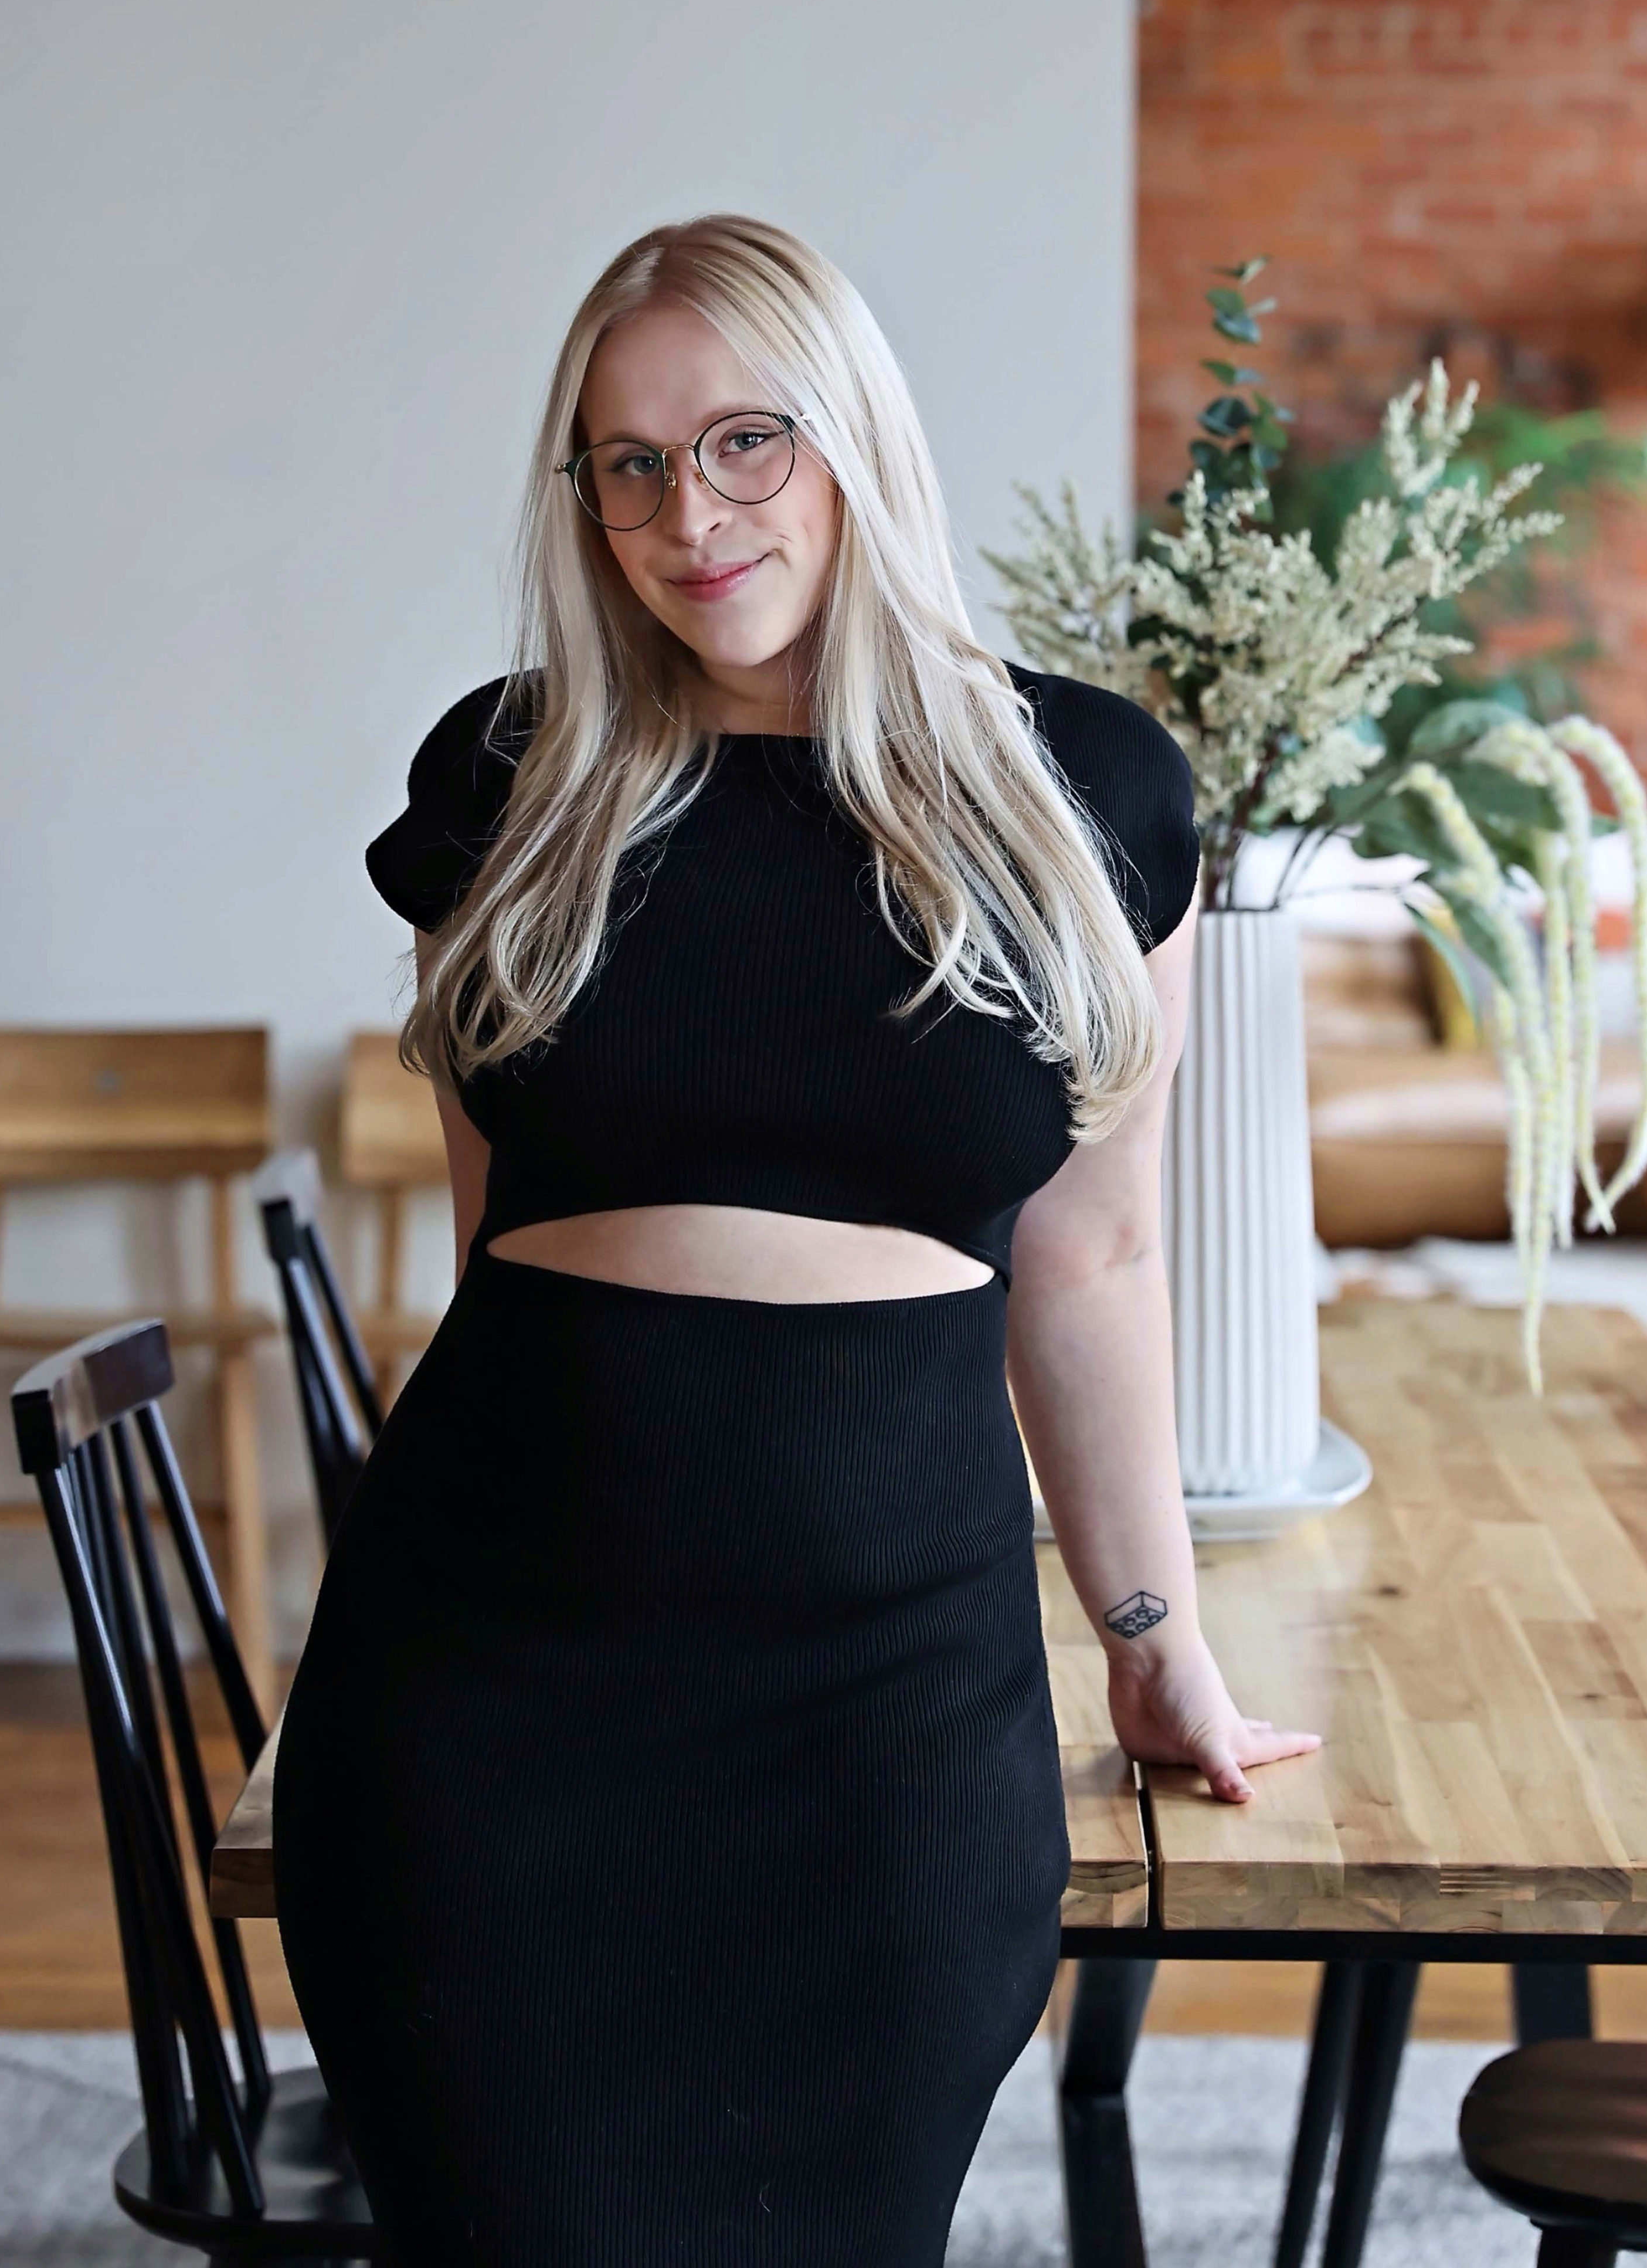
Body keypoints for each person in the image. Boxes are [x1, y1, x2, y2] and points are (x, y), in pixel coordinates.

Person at [274, 213, 1322, 2267]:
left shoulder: (1082, 791)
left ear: (854, 441)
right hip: (494, 1702)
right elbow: (495, 1252)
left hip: (886, 1717)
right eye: (631, 464)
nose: (693, 514)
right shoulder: (511, 780)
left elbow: (1092, 1262)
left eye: (747, 441)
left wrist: (1155, 1642)